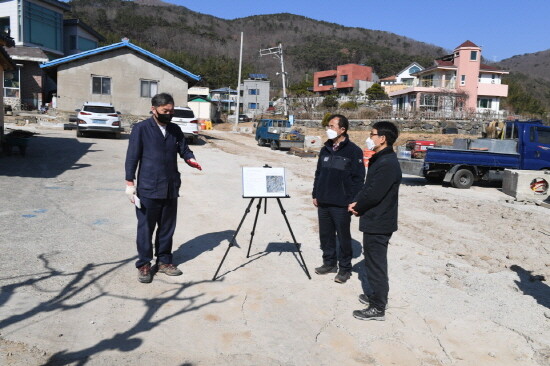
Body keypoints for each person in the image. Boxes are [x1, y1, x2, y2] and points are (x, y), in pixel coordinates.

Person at [125, 93, 202, 283]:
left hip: (170, 186)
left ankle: (164, 261)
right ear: (154, 109)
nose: (169, 114)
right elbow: (132, 157)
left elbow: (184, 148)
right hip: (148, 187)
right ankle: (144, 264)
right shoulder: (141, 129)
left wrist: (190, 158)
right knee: (145, 228)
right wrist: (129, 183)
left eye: (171, 110)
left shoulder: (175, 129)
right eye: (165, 111)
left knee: (167, 227)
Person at [348, 121, 402, 321]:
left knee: (376, 264)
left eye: (372, 135)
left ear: (383, 138)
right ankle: (376, 296)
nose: (369, 138)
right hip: (374, 219)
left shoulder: (388, 163)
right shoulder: (380, 158)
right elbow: (368, 187)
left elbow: (375, 194)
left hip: (379, 221)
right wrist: (357, 202)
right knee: (372, 262)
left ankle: (378, 307)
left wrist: (358, 206)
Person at [312, 114, 365, 283]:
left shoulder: (353, 151)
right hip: (323, 201)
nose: (329, 129)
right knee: (326, 235)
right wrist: (315, 194)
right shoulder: (325, 149)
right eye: (328, 126)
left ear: (343, 129)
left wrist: (353, 199)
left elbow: (359, 178)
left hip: (342, 203)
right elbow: (318, 173)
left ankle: (344, 269)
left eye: (332, 126)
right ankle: (329, 263)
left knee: (343, 237)